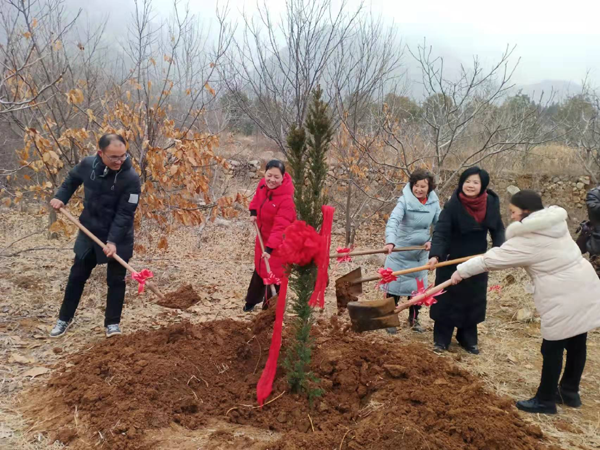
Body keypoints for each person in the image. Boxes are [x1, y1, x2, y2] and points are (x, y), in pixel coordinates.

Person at [451, 190, 600, 414]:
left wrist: (461, 271)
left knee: (552, 347)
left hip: (563, 291)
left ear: (526, 212)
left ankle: (545, 400)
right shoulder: (553, 225)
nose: (510, 216)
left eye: (513, 212)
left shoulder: (529, 238)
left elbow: (492, 260)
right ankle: (569, 392)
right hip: (584, 283)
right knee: (577, 339)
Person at [49, 134, 141, 338]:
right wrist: (60, 197)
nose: (119, 161)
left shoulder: (131, 178)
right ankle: (64, 319)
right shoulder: (88, 165)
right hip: (89, 231)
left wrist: (113, 241)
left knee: (116, 280)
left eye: (123, 156)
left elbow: (126, 213)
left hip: (119, 236)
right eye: (113, 157)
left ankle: (112, 324)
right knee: (77, 276)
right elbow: (71, 180)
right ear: (100, 153)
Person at [427, 167, 505, 354]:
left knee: (472, 299)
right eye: (467, 181)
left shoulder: (491, 203)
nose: (470, 185)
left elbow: (498, 230)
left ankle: (467, 338)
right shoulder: (453, 204)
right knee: (446, 299)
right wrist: (435, 255)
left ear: (482, 185)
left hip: (477, 260)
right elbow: (441, 232)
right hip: (451, 258)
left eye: (475, 182)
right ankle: (441, 339)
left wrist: (499, 251)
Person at [383, 168, 441, 334]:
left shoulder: (434, 203)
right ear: (411, 185)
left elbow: (440, 226)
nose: (419, 189)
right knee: (394, 288)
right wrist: (390, 242)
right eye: (416, 185)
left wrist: (433, 242)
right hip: (400, 251)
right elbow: (393, 221)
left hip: (420, 253)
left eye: (423, 186)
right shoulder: (404, 201)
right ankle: (389, 320)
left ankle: (414, 320)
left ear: (429, 188)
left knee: (417, 291)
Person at [243, 160, 296, 312]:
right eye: (269, 175)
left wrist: (270, 248)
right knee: (260, 272)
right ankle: (251, 302)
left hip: (279, 244)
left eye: (276, 177)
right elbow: (256, 200)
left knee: (275, 276)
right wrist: (253, 213)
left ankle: (269, 312)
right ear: (264, 174)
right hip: (263, 238)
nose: (272, 180)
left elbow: (281, 227)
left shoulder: (286, 199)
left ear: (283, 177)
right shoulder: (262, 185)